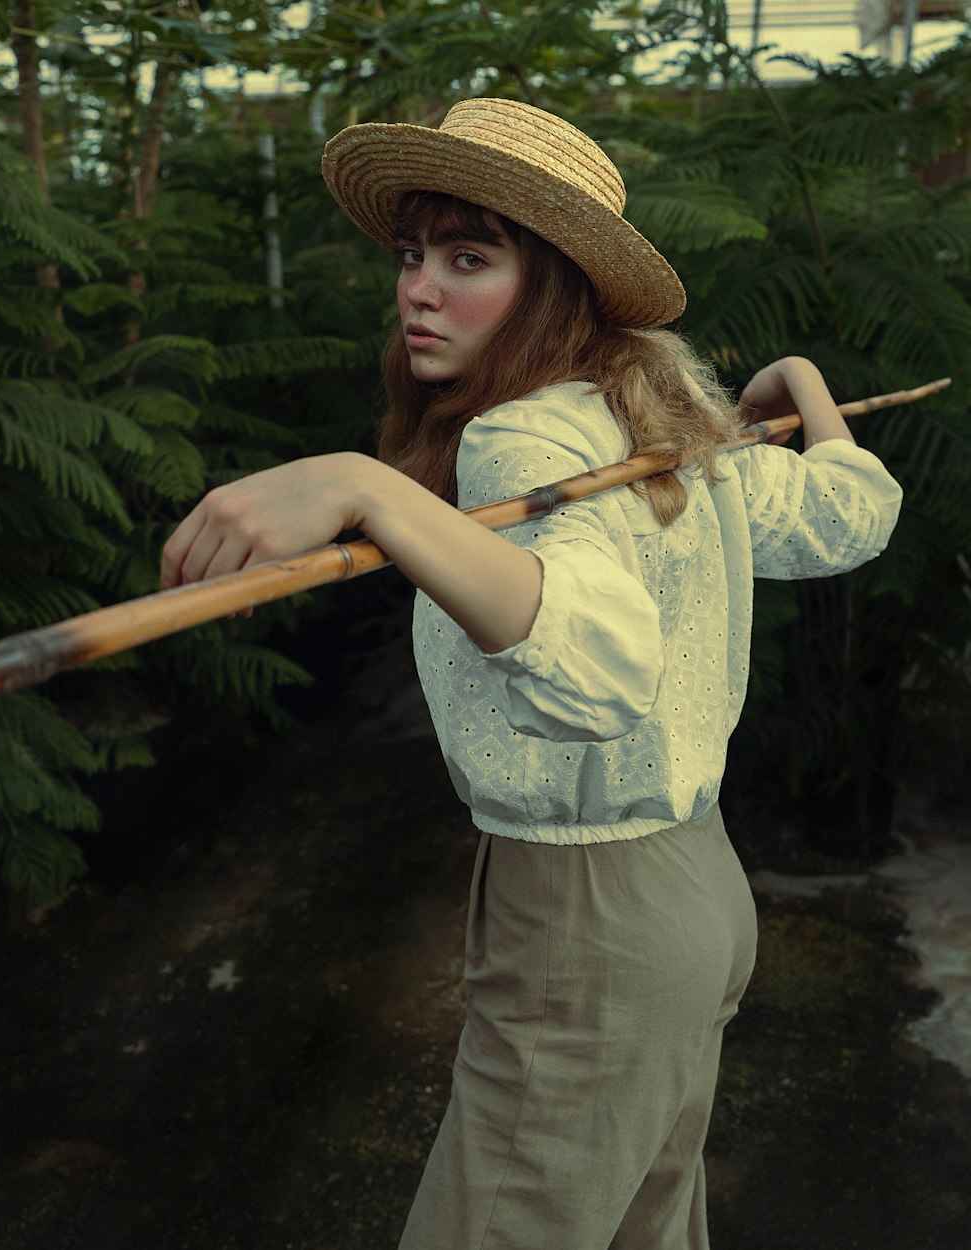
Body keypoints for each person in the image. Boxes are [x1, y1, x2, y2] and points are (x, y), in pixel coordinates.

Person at [160, 99, 903, 1250]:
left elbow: (601, 661)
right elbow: (846, 513)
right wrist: (801, 387)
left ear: (554, 281)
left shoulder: (528, 438)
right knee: (644, 1227)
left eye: (469, 258)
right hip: (694, 895)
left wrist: (372, 488)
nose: (418, 287)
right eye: (414, 255)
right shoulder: (650, 413)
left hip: (591, 922)